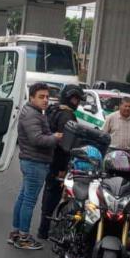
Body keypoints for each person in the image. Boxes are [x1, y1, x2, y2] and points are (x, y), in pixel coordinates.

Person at [9, 83, 63, 250]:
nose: (45, 100)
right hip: (35, 162)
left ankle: (16, 233)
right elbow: (37, 139)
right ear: (32, 97)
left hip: (31, 160)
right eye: (41, 97)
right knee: (29, 200)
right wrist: (55, 137)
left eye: (47, 97)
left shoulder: (33, 111)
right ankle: (23, 237)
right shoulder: (32, 115)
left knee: (24, 197)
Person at [36, 85, 84, 239]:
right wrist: (63, 167)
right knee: (54, 194)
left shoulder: (53, 109)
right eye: (74, 99)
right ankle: (45, 229)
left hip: (48, 157)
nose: (76, 102)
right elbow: (66, 145)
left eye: (78, 99)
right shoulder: (66, 115)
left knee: (49, 192)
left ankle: (44, 227)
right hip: (57, 161)